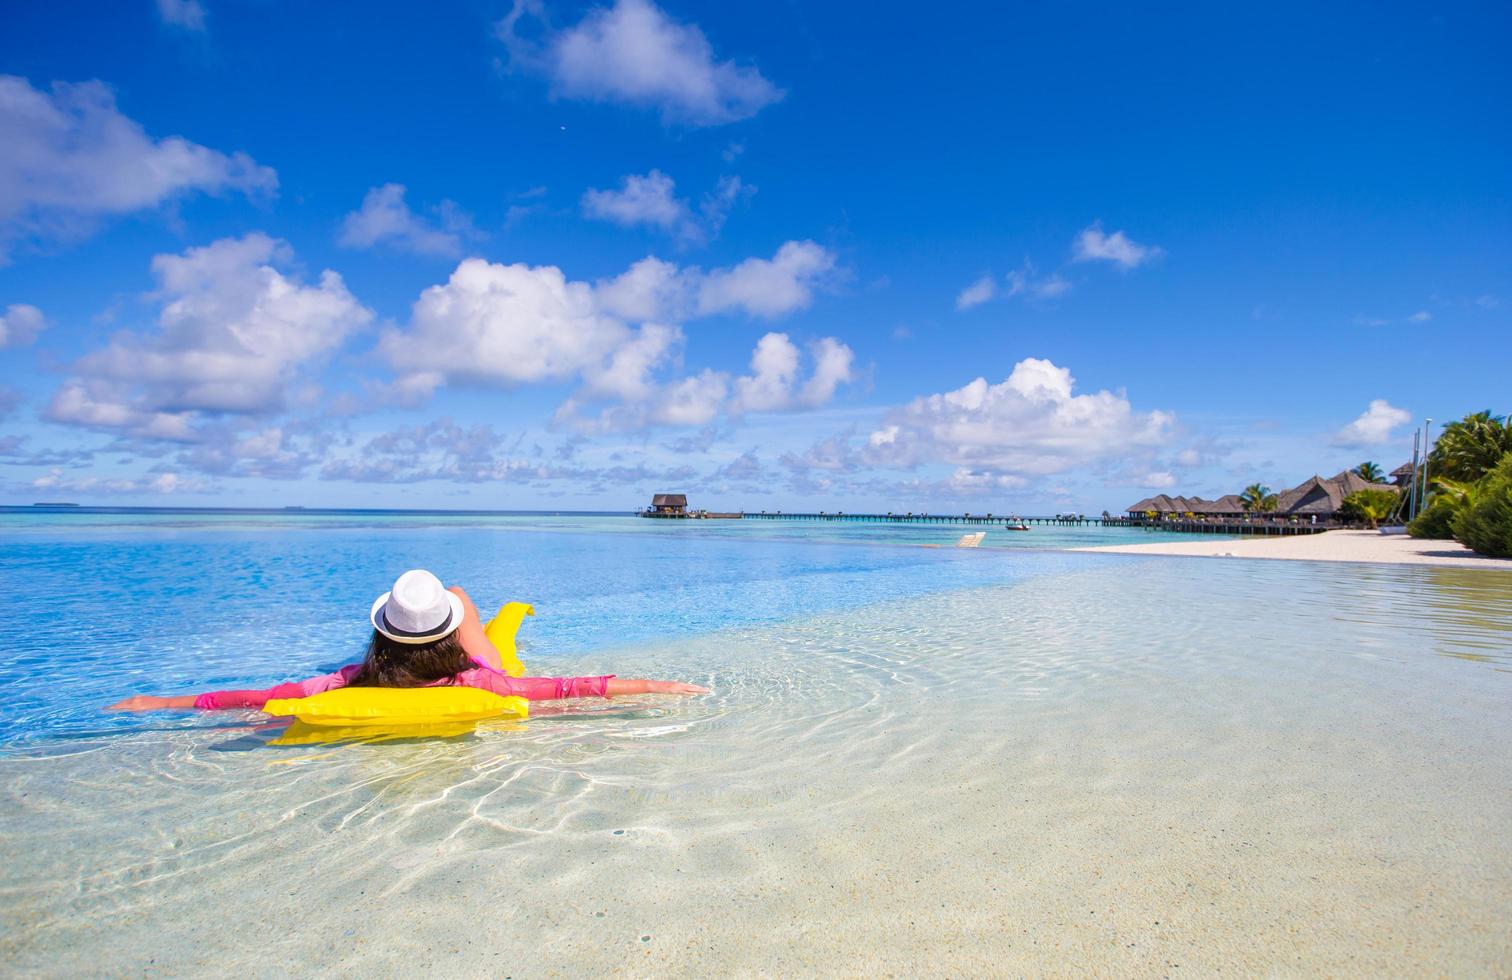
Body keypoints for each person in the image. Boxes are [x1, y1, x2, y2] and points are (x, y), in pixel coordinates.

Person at [108, 569, 707, 712]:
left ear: (381, 634)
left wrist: (161, 703)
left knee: (452, 587)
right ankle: (455, 601)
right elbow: (570, 688)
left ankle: (437, 604)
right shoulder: (481, 677)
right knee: (459, 589)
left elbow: (268, 695)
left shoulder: (351, 678)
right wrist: (656, 683)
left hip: (395, 671)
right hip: (472, 658)